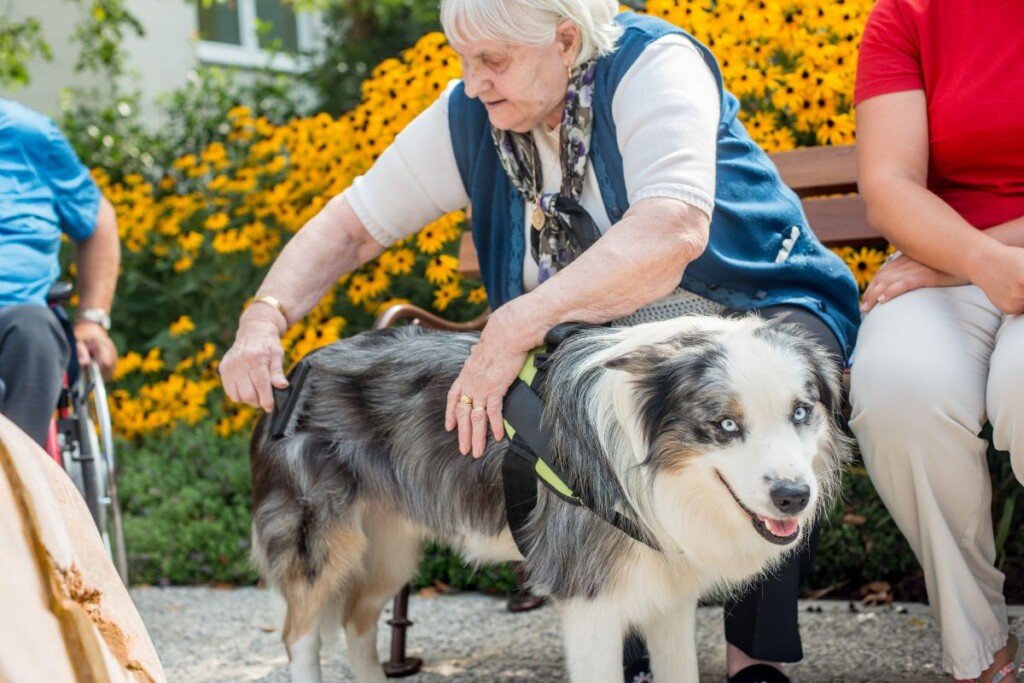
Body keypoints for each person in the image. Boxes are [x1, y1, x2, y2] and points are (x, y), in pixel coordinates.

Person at [219, 1, 860, 680]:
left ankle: (752, 660)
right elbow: (352, 226)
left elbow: (670, 229)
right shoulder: (473, 115)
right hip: (605, 344)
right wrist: (266, 313)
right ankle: (625, 633)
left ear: (564, 39)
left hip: (757, 318)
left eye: (492, 60)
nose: (472, 82)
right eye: (464, 61)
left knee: (718, 399)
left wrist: (519, 323)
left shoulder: (651, 65)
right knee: (594, 393)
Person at [849, 1, 1023, 682]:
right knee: (898, 389)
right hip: (951, 264)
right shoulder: (906, 12)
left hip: (951, 258)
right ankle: (978, 651)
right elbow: (889, 183)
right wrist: (976, 262)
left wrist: (964, 257)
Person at [0, 98, 120, 447]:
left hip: (16, 326)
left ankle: (15, 485)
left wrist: (92, 319)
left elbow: (98, 220)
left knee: (34, 330)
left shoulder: (28, 135)